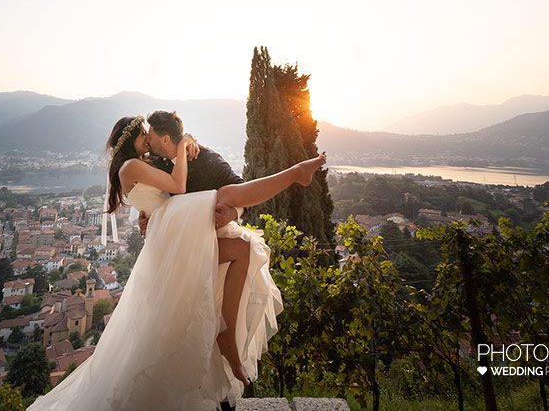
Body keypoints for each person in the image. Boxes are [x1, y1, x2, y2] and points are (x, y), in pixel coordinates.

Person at [26, 112, 327, 411]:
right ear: (134, 140)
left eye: (150, 136)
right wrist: (181, 151)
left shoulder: (190, 159)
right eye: (143, 136)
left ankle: (226, 334)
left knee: (244, 248)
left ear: (164, 138)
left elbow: (162, 194)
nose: (148, 140)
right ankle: (294, 173)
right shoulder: (137, 165)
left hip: (176, 226)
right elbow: (175, 187)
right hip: (173, 229)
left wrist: (224, 206)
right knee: (225, 197)